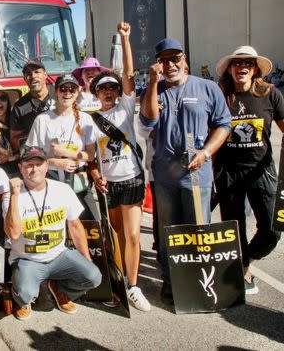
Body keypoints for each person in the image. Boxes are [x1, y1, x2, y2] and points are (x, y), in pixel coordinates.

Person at [140, 37, 231, 304]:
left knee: (198, 230)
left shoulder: (207, 88)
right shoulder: (154, 90)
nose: (170, 64)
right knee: (168, 231)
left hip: (197, 172)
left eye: (175, 58)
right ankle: (171, 281)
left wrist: (206, 153)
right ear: (158, 64)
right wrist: (154, 84)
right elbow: (147, 119)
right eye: (164, 60)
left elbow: (223, 125)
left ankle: (200, 281)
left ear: (184, 59)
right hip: (165, 174)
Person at [85, 22, 150, 311]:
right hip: (109, 185)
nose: (109, 92)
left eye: (112, 87)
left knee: (133, 234)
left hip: (132, 179)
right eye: (103, 89)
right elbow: (89, 158)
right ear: (96, 94)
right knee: (117, 235)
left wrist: (125, 39)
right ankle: (120, 280)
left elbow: (129, 74)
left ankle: (134, 286)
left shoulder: (125, 107)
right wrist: (97, 176)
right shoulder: (90, 122)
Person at [214, 45, 283, 294]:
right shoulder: (220, 94)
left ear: (255, 69)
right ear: (230, 69)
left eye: (248, 63)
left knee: (273, 229)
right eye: (237, 63)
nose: (242, 66)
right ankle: (241, 272)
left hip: (261, 170)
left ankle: (246, 261)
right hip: (228, 172)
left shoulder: (270, 94)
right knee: (234, 228)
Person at [3, 146, 101, 320]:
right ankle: (23, 299)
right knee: (25, 294)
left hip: (59, 255)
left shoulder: (62, 189)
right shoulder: (11, 196)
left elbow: (75, 226)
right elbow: (14, 234)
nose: (34, 169)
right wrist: (14, 195)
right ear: (20, 168)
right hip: (28, 259)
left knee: (93, 277)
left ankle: (60, 289)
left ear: (47, 166)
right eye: (29, 165)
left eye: (39, 164)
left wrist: (87, 259)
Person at [26, 73, 97, 221]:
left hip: (80, 183)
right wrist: (55, 162)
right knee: (58, 231)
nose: (67, 93)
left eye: (72, 89)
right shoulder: (42, 120)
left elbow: (90, 155)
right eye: (63, 88)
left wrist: (66, 153)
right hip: (52, 182)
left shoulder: (85, 119)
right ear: (56, 91)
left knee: (91, 230)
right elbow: (29, 155)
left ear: (77, 92)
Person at [9, 61, 55, 151]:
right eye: (28, 74)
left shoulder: (60, 93)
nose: (33, 76)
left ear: (45, 74)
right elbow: (14, 141)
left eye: (37, 72)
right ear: (24, 78)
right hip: (37, 156)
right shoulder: (19, 106)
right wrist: (34, 134)